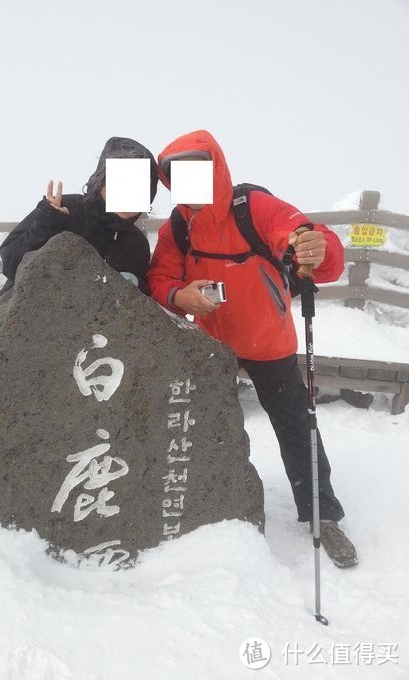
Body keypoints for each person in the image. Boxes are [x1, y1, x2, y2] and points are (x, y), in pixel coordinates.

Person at [147, 129, 358, 568]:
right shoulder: (178, 227)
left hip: (267, 343)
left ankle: (324, 516)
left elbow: (305, 237)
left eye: (197, 168)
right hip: (210, 347)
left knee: (297, 427)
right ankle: (206, 506)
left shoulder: (252, 207)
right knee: (200, 426)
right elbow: (159, 278)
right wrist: (178, 296)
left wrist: (316, 247)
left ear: (216, 167)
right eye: (177, 173)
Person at [0, 136, 158, 296]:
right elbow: (11, 263)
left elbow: (138, 303)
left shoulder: (137, 244)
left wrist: (135, 285)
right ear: (100, 181)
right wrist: (48, 223)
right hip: (18, 314)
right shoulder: (63, 208)